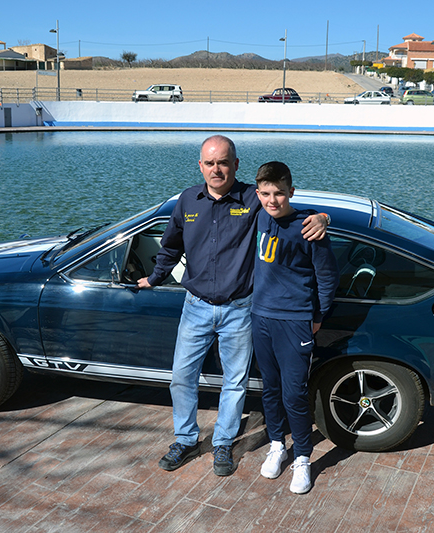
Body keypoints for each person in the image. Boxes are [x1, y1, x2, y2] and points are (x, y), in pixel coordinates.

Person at [137, 135, 328, 476]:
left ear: (235, 165)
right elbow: (170, 245)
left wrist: (322, 218)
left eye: (223, 162)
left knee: (234, 381)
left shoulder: (252, 199)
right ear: (200, 166)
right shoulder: (187, 201)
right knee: (181, 377)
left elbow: (286, 209)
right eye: (209, 163)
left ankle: (223, 443)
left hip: (240, 309)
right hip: (194, 306)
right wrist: (154, 277)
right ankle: (185, 438)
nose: (216, 169)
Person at [251, 161, 338, 494]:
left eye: (279, 194)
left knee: (294, 394)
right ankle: (277, 445)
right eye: (266, 194)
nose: (273, 201)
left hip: (295, 321)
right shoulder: (260, 214)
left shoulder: (308, 227)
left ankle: (302, 457)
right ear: (259, 193)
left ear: (291, 192)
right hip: (261, 318)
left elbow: (327, 276)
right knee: (269, 389)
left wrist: (318, 316)